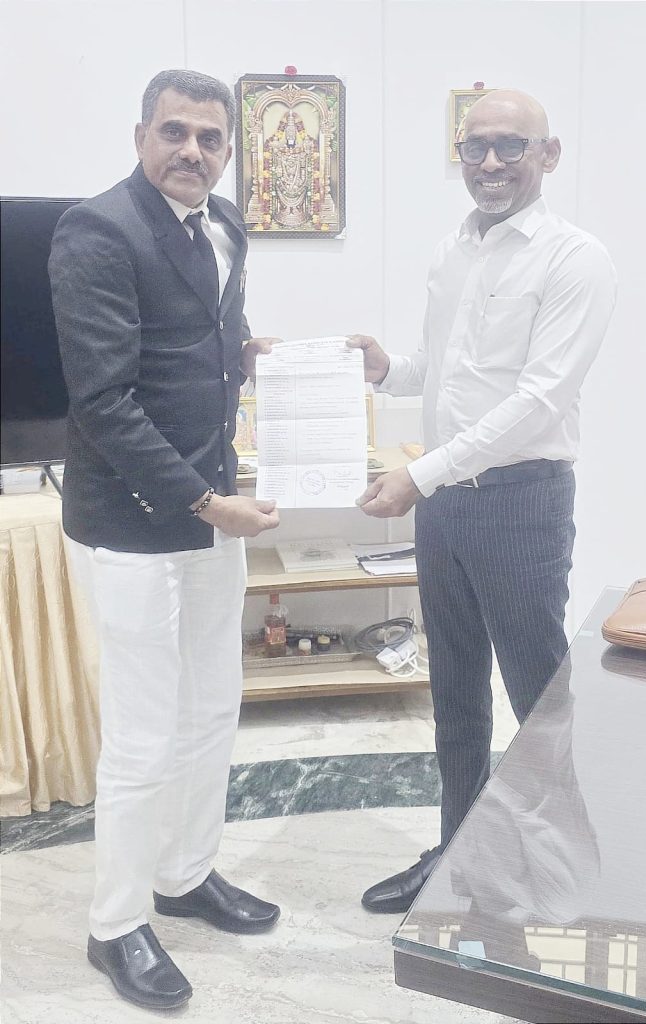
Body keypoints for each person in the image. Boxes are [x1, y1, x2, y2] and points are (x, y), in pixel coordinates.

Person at [348, 88, 617, 914]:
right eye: (475, 147)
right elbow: (445, 369)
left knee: (538, 702)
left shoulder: (575, 260)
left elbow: (536, 401)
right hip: (444, 505)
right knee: (455, 693)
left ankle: (558, 878)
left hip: (519, 502)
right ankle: (455, 859)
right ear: (458, 154)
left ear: (548, 154)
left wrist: (421, 474)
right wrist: (387, 369)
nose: (490, 162)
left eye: (510, 145)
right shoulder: (452, 251)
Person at [49, 69, 281, 1010]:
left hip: (211, 507)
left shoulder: (223, 224)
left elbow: (209, 339)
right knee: (144, 733)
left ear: (227, 150)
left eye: (210, 138)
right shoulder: (97, 231)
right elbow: (103, 400)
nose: (193, 151)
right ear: (141, 134)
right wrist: (205, 502)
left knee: (212, 708)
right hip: (135, 522)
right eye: (175, 132)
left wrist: (257, 355)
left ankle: (185, 874)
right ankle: (115, 924)